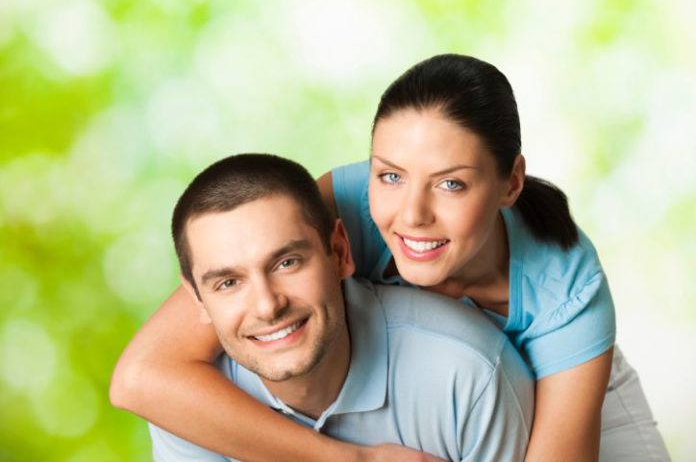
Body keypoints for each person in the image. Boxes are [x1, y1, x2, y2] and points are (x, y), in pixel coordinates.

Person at [111, 54, 670, 461]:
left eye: (451, 184)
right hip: (406, 400)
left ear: (510, 183)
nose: (411, 214)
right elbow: (142, 377)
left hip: (565, 393)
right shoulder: (344, 206)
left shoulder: (566, 294)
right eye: (391, 176)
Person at [147, 153, 534, 461]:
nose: (267, 306)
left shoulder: (469, 374)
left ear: (340, 253)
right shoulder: (190, 414)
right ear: (197, 298)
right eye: (229, 283)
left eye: (287, 263)